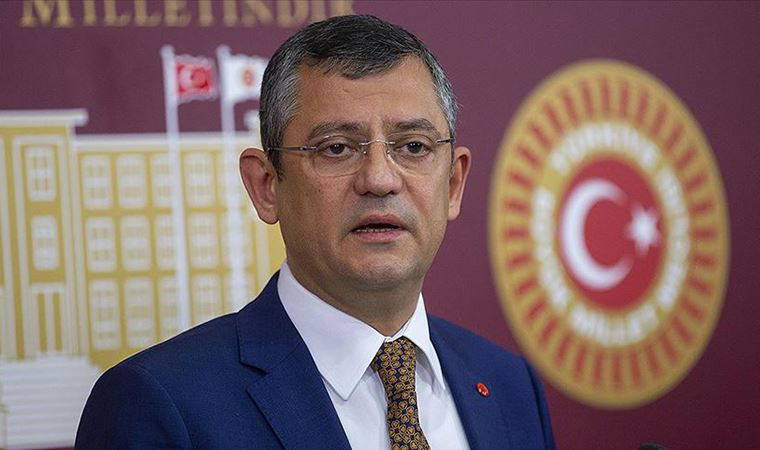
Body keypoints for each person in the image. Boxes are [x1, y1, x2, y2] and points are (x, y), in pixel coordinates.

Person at [76, 15, 555, 450]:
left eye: (413, 146)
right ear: (266, 186)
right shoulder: (161, 405)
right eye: (336, 148)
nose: (380, 179)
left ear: (453, 184)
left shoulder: (509, 385)